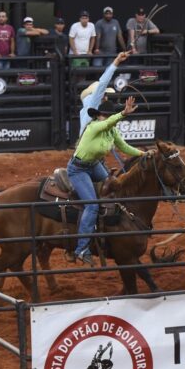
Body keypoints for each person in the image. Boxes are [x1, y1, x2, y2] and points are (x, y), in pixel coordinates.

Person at [68, 96, 147, 266]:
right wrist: (123, 113)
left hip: (93, 165)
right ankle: (81, 248)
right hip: (78, 169)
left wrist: (143, 154)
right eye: (105, 116)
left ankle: (113, 226)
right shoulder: (94, 127)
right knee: (92, 204)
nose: (107, 119)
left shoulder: (111, 131)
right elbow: (106, 124)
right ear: (99, 116)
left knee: (115, 187)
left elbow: (124, 147)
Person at [79, 51, 131, 136]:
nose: (106, 97)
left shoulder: (86, 109)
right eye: (104, 94)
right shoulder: (94, 103)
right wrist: (117, 61)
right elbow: (103, 83)